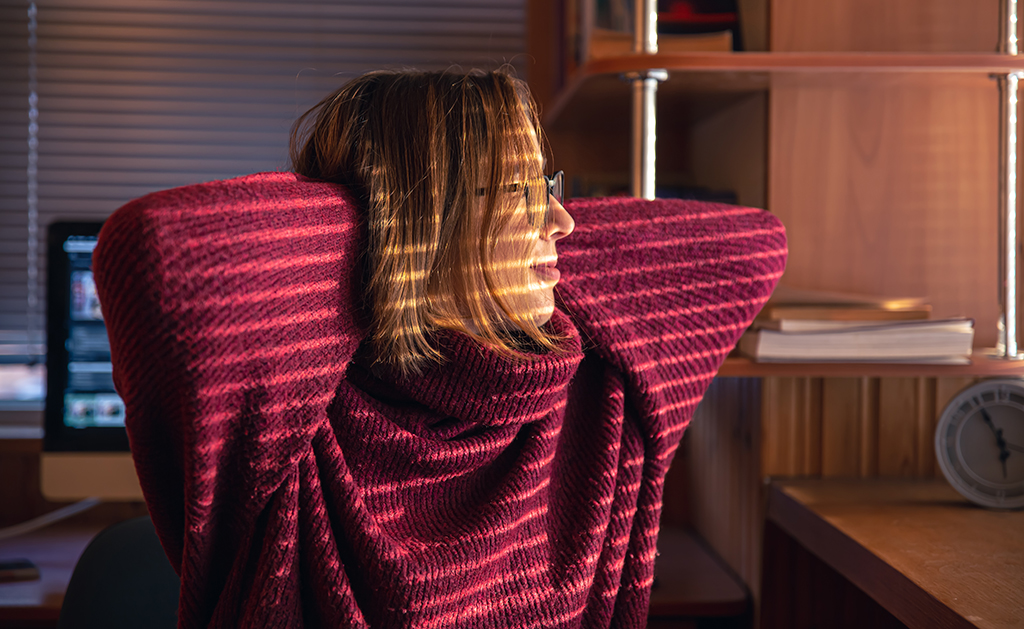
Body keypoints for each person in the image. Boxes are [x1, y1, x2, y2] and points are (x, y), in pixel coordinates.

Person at [93, 69, 787, 628]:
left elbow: (756, 245)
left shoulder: (608, 382)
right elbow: (152, 249)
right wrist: (365, 220)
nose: (563, 221)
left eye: (546, 183)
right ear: (423, 215)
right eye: (521, 190)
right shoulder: (289, 425)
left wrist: (476, 236)